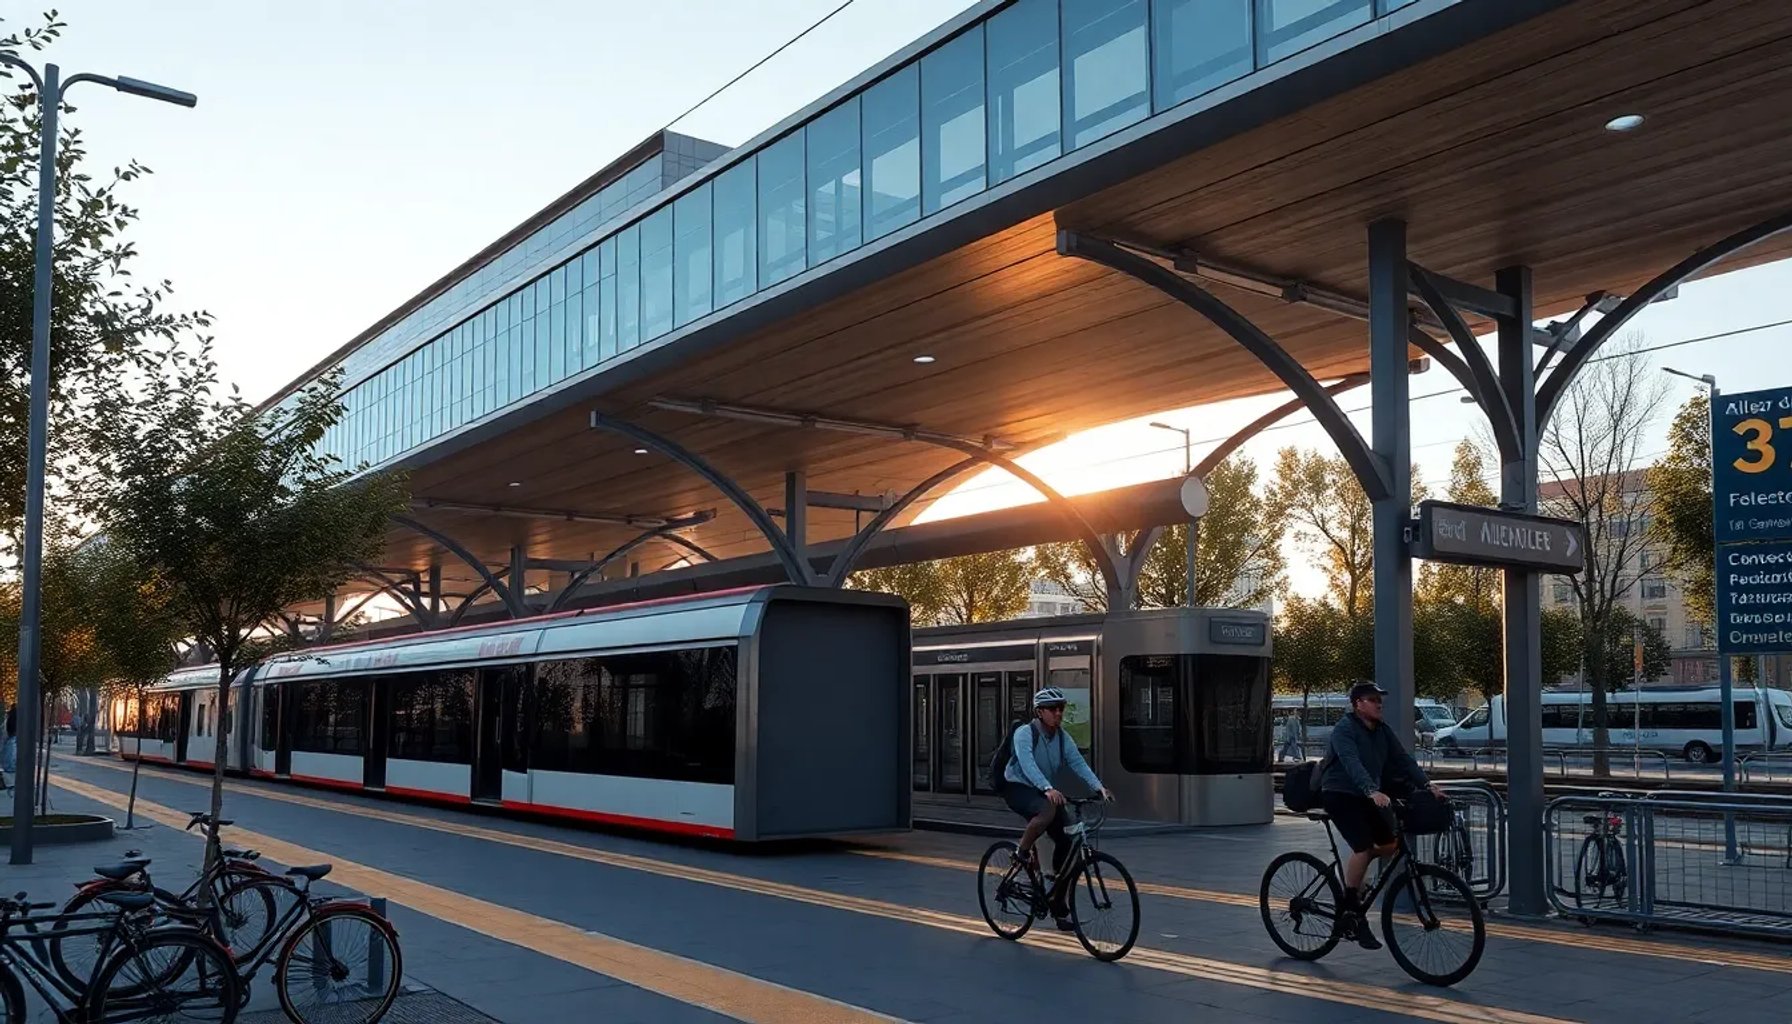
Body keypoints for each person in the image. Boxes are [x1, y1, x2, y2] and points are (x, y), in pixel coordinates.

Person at [1320, 680, 1447, 950]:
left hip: (1367, 794)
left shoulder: (1382, 730)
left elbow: (1403, 759)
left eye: (1380, 700)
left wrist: (1428, 785)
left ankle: (1356, 877)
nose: (1379, 704)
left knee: (1391, 845)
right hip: (1340, 793)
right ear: (1357, 704)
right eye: (1372, 699)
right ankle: (1351, 909)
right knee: (1364, 847)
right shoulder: (1345, 729)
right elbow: (1350, 761)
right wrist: (1370, 790)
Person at [1000, 687, 1113, 931]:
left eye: (1061, 708)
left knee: (1069, 843)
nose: (1059, 713)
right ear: (1040, 712)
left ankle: (1057, 902)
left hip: (1043, 788)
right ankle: (1021, 852)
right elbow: (1028, 765)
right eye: (1053, 709)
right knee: (1047, 809)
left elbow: (1078, 763)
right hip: (1018, 786)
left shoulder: (1062, 737)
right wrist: (1047, 788)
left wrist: (1099, 788)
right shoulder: (1024, 733)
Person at [3, 703, 15, 774]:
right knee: (11, 751)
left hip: (10, 734)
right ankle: (9, 767)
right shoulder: (14, 713)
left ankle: (8, 766)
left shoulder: (10, 714)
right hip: (12, 734)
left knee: (9, 750)